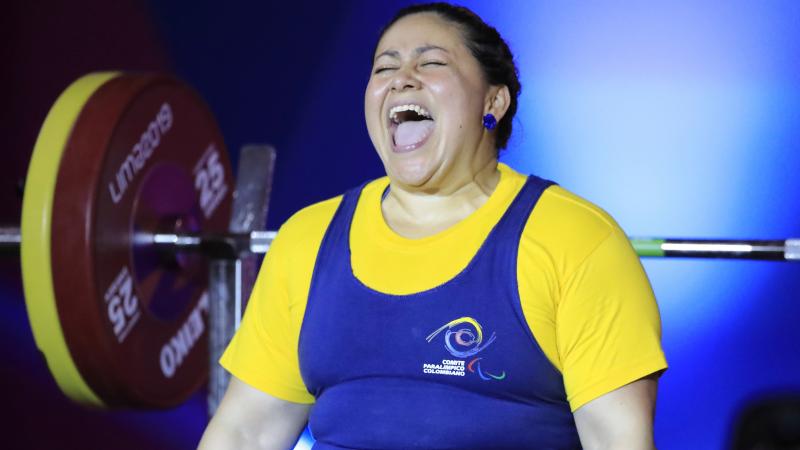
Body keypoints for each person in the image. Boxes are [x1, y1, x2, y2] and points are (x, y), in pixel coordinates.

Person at [198, 3, 667, 449]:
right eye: (384, 68)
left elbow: (617, 440)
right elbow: (246, 433)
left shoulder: (576, 239)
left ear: (494, 100)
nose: (401, 80)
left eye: (431, 63)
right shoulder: (307, 239)